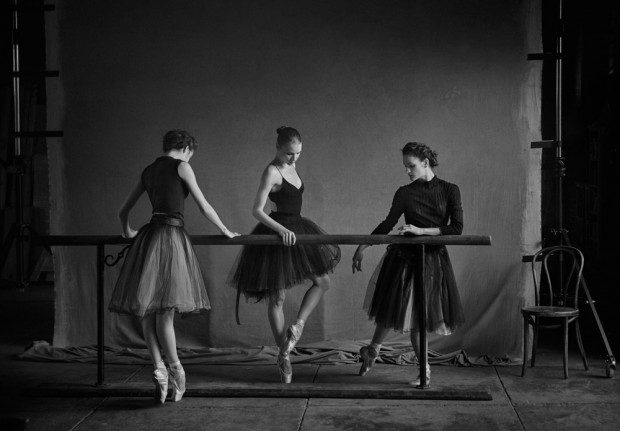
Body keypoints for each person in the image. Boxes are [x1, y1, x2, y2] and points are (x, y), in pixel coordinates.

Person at [108, 129, 239, 403]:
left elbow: (122, 211)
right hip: (171, 239)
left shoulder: (148, 171)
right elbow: (204, 206)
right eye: (191, 153)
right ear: (186, 148)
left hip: (148, 239)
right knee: (165, 313)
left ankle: (158, 368)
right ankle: (177, 370)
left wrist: (127, 231)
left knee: (147, 311)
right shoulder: (182, 166)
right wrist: (225, 229)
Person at [229, 126, 340, 383]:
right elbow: (257, 210)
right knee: (277, 297)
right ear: (278, 148)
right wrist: (281, 230)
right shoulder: (271, 171)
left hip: (298, 230)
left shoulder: (293, 166)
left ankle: (297, 326)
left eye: (298, 153)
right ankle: (284, 355)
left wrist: (290, 230)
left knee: (322, 282)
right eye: (289, 153)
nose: (294, 157)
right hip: (278, 233)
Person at [352, 142, 464, 386]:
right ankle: (376, 350)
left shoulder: (449, 190)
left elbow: (456, 228)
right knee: (394, 307)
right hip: (404, 258)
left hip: (432, 259)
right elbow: (387, 224)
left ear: (426, 163)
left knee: (417, 317)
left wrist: (422, 231)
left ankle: (421, 370)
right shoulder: (404, 192)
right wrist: (363, 245)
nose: (407, 171)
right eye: (405, 166)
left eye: (411, 166)